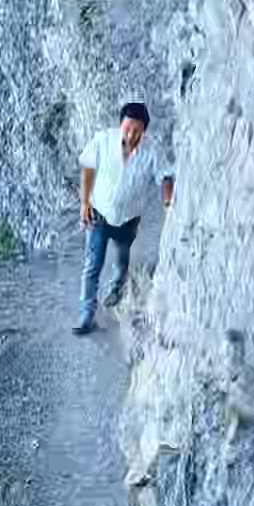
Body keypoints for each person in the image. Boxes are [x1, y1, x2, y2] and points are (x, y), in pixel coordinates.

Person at [74, 102, 174, 335]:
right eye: (127, 128)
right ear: (120, 125)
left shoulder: (153, 151)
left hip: (128, 219)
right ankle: (86, 315)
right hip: (98, 213)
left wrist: (168, 200)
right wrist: (84, 202)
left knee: (120, 263)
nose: (131, 135)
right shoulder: (103, 140)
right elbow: (87, 168)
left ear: (144, 131)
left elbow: (165, 176)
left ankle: (116, 290)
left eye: (137, 131)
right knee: (92, 266)